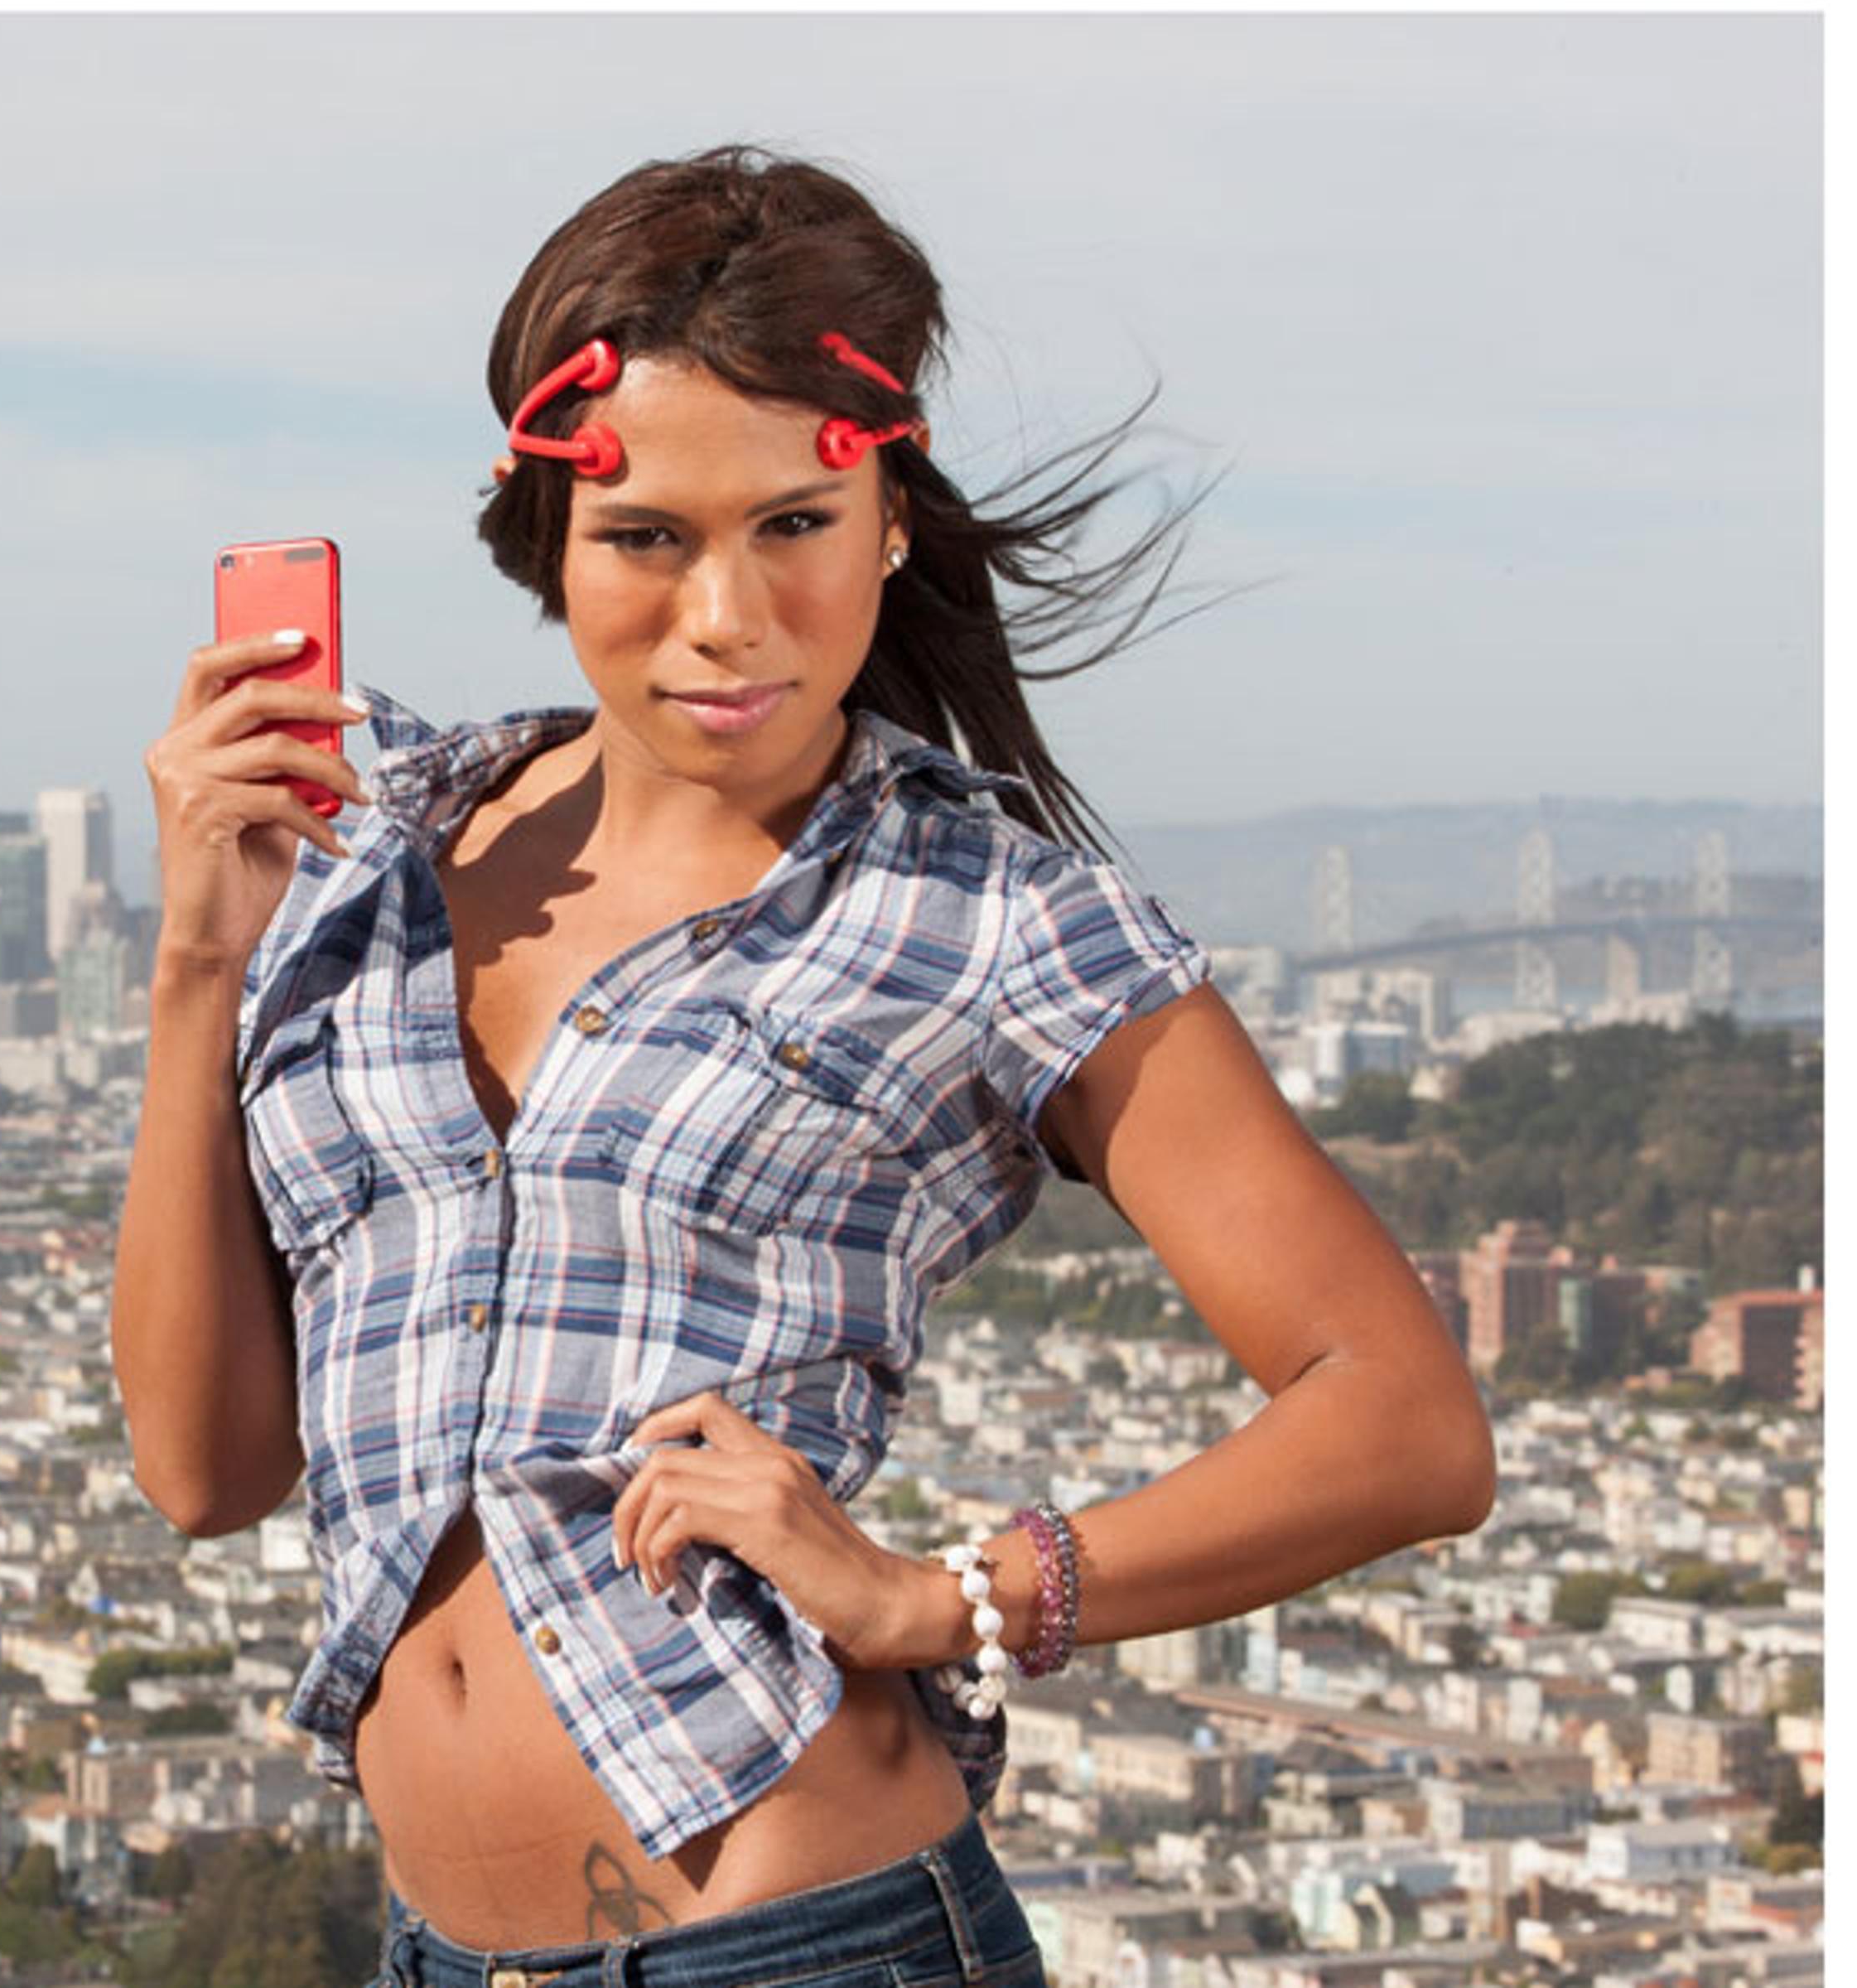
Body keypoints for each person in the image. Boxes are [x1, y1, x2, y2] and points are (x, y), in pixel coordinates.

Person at [111, 146, 1493, 1988]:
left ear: (891, 520)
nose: (727, 618)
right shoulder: (370, 857)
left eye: (793, 526)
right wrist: (205, 946)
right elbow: (208, 1465)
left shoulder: (990, 913)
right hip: (434, 1951)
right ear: (551, 533)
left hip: (814, 1941)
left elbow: (1402, 1418)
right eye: (648, 537)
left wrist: (951, 1597)